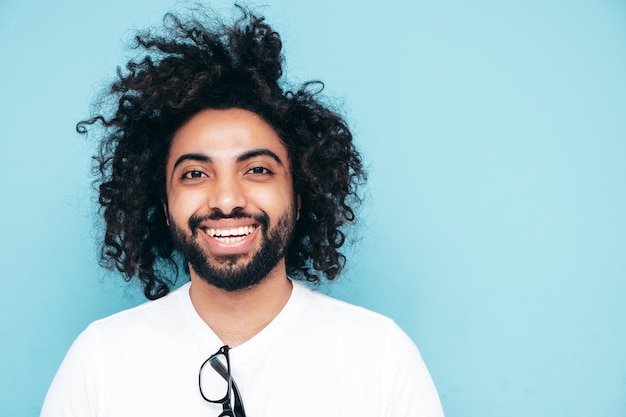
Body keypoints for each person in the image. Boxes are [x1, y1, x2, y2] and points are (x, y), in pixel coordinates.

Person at [41, 5, 445, 417]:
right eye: (195, 173)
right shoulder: (101, 360)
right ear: (163, 206)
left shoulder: (380, 357)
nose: (227, 199)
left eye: (257, 169)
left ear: (300, 194)